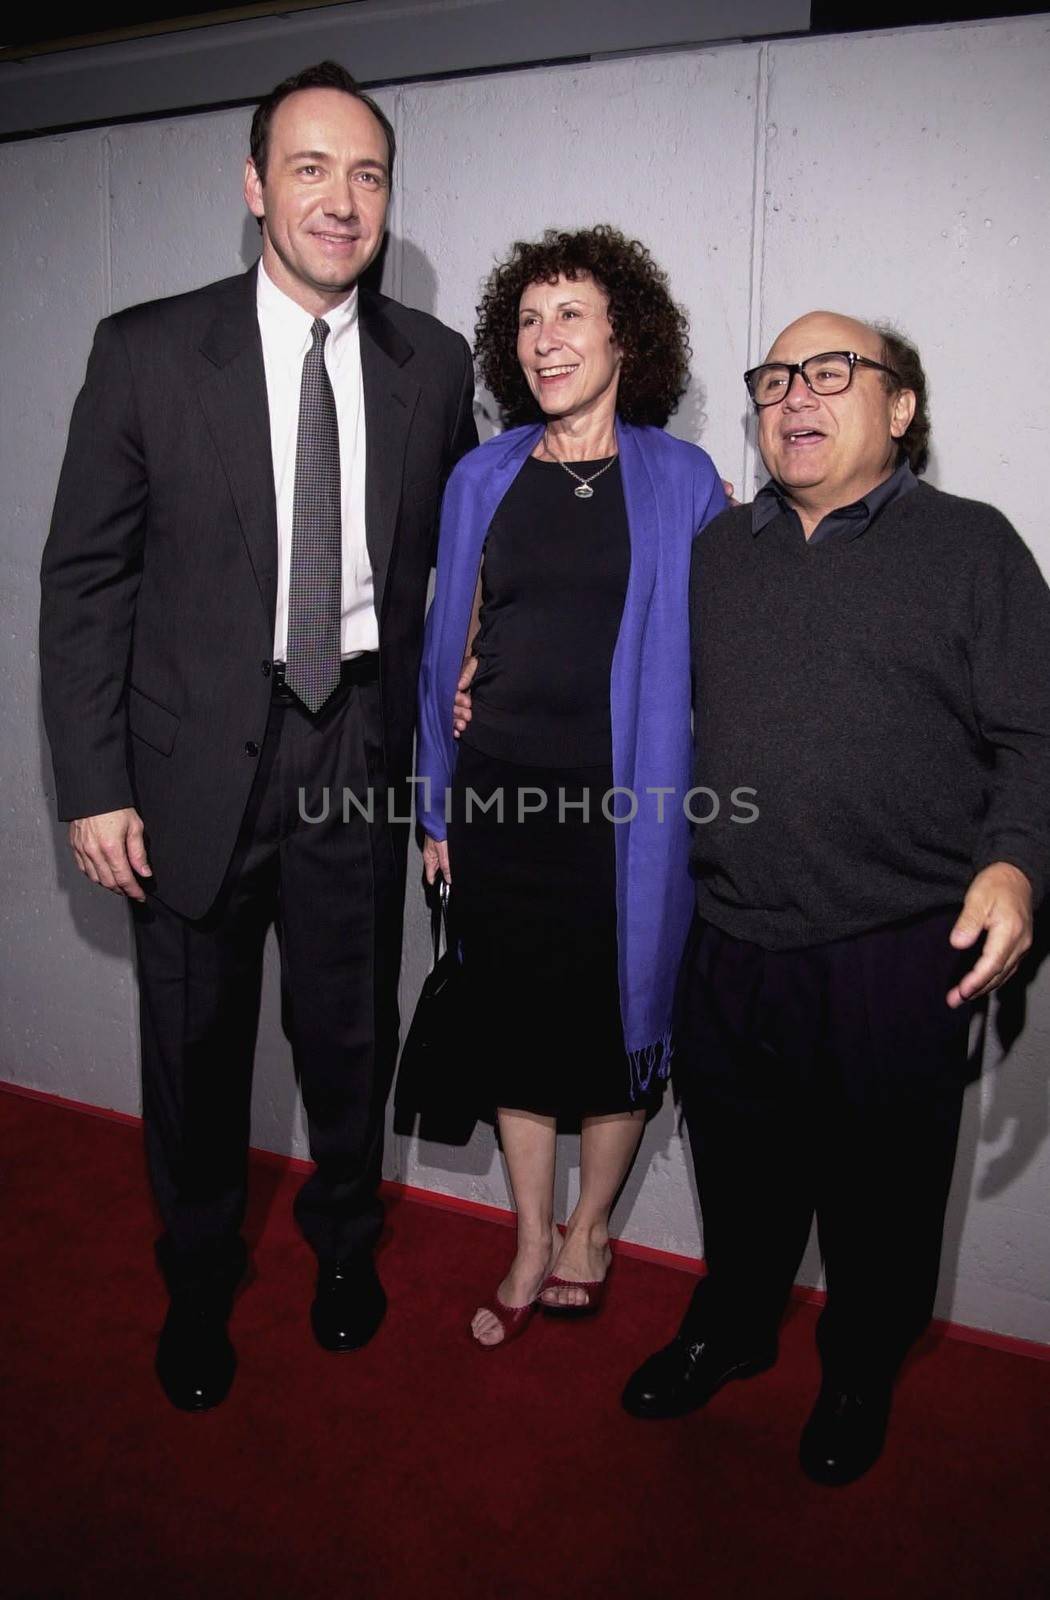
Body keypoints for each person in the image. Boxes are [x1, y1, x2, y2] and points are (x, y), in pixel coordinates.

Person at [39, 61, 476, 1411]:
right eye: (309, 168)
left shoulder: (436, 363)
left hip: (353, 742)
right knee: (194, 1045)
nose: (340, 201)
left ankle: (345, 1248)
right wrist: (95, 785)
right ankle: (197, 1282)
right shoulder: (147, 349)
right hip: (183, 769)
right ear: (253, 187)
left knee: (348, 1035)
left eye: (366, 175)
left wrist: (454, 718)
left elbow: (439, 572)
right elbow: (84, 582)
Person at [622, 311, 1050, 1484]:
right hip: (735, 939)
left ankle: (859, 1366)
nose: (793, 398)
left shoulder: (974, 549)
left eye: (830, 373)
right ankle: (735, 1327)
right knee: (745, 1181)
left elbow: (1038, 737)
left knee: (883, 1207)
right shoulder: (722, 552)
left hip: (898, 952)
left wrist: (1014, 864)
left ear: (900, 408)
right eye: (773, 380)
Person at [415, 225, 726, 1347]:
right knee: (512, 1025)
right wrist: (439, 795)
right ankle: (530, 1234)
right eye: (529, 320)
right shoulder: (482, 475)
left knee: (614, 1023)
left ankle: (592, 1225)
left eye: (570, 316)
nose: (544, 341)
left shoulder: (684, 478)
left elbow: (720, 648)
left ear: (623, 335)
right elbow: (453, 631)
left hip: (629, 812)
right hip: (500, 795)